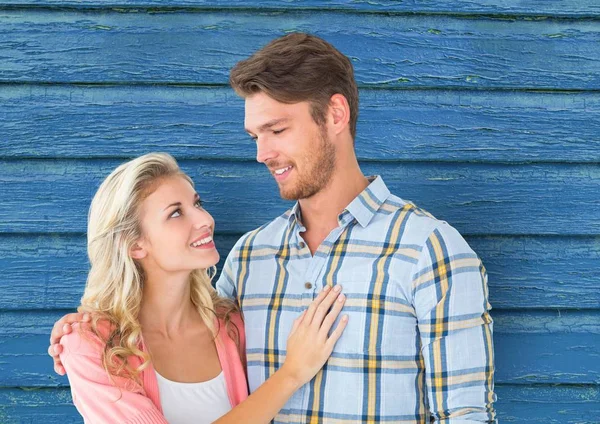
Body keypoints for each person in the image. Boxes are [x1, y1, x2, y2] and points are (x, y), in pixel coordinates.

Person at [50, 33, 497, 422]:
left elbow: (466, 415)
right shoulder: (248, 258)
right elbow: (183, 325)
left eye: (277, 130)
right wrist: (89, 328)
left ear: (335, 115)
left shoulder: (428, 250)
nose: (262, 153)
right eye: (254, 137)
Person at [52, 152, 348, 423]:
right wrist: (292, 373)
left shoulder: (229, 326)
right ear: (134, 245)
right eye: (176, 213)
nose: (205, 220)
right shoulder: (92, 346)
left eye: (197, 204)